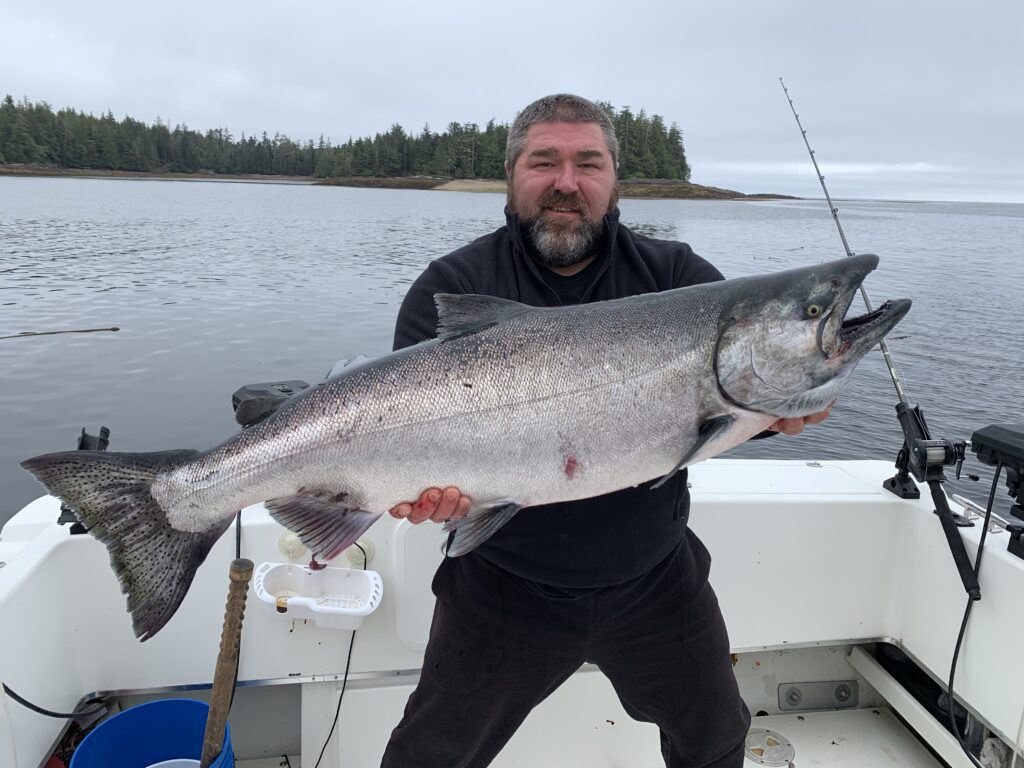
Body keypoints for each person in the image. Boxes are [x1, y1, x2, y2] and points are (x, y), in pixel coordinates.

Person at [379, 94, 830, 768]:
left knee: (715, 739)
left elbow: (720, 403)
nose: (567, 182)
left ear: (615, 179)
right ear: (512, 174)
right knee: (430, 757)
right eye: (545, 162)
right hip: (501, 586)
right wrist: (430, 496)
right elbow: (405, 442)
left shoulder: (677, 280)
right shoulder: (452, 287)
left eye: (588, 163)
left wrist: (778, 410)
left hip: (654, 579)